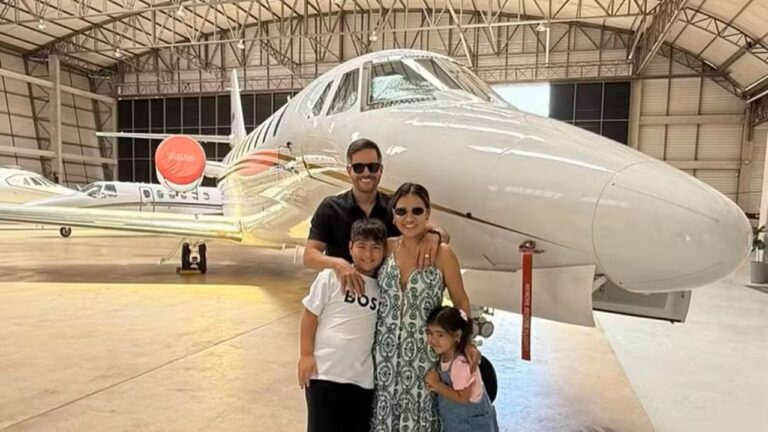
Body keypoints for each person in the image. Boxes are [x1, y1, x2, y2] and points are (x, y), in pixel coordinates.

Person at [371, 182, 472, 432]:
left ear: (428, 214)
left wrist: (466, 343)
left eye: (417, 211)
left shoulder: (443, 253)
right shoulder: (386, 248)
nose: (409, 218)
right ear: (393, 216)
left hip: (422, 358)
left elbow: (461, 301)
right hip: (382, 358)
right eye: (402, 211)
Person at [303, 138, 446, 296]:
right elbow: (309, 256)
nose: (366, 173)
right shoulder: (330, 208)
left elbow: (442, 233)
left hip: (383, 302)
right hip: (341, 298)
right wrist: (340, 265)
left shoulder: (395, 208)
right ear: (349, 170)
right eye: (358, 168)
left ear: (380, 170)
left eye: (372, 167)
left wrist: (433, 236)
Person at [298, 218, 387, 432]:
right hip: (325, 374)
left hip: (362, 381)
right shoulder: (330, 276)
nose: (368, 254)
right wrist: (306, 355)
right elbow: (309, 316)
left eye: (376, 248)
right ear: (350, 247)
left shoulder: (383, 287)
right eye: (362, 246)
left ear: (384, 251)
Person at [424, 306, 499, 432]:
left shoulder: (460, 364)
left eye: (440, 335)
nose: (433, 340)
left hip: (472, 424)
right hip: (458, 422)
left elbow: (462, 397)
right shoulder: (445, 355)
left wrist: (437, 384)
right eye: (430, 333)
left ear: (457, 335)